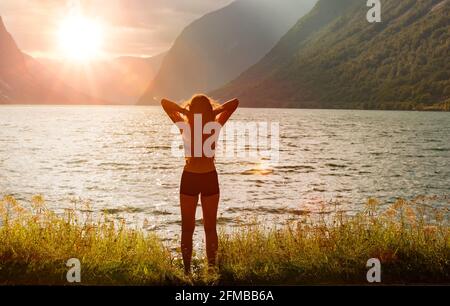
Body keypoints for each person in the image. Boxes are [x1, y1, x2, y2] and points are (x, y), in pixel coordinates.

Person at [161, 94, 239, 274]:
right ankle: (211, 271)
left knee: (187, 228)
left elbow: (165, 103)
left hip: (189, 177)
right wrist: (214, 111)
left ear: (192, 109)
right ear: (208, 110)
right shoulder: (215, 126)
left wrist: (185, 111)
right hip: (209, 177)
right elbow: (234, 103)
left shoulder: (184, 127)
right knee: (210, 228)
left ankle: (187, 272)